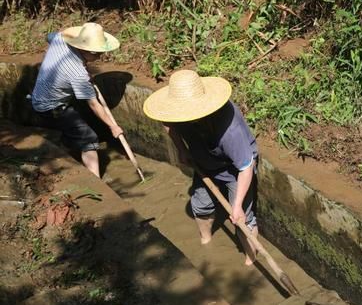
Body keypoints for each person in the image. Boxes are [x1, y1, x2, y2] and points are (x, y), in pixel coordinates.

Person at [143, 69, 260, 266]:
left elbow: (246, 167)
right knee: (200, 205)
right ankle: (205, 240)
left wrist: (237, 205)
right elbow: (168, 124)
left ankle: (251, 258)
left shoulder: (229, 130)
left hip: (234, 170)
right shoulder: (174, 113)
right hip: (203, 160)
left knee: (243, 221)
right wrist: (181, 149)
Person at [31, 22, 124, 178]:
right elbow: (94, 104)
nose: (100, 56)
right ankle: (96, 180)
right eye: (96, 53)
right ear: (83, 48)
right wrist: (113, 126)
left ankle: (68, 145)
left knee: (74, 126)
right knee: (89, 138)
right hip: (51, 107)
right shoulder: (77, 73)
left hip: (40, 95)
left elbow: (49, 36)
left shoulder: (60, 39)